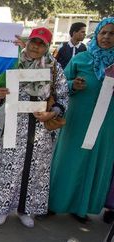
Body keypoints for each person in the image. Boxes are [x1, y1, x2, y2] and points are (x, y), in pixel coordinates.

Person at [0, 27, 68, 228]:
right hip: (15, 125)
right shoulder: (13, 63)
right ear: (27, 41)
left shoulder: (53, 68)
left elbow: (63, 96)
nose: (36, 47)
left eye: (41, 44)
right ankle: (2, 207)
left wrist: (52, 113)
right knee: (9, 167)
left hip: (40, 130)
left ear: (47, 47)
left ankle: (24, 210)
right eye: (34, 42)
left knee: (34, 170)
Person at [49, 18, 114, 224]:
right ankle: (54, 203)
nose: (106, 37)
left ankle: (81, 208)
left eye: (112, 34)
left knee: (93, 161)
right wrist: (73, 84)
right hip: (77, 119)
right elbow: (60, 86)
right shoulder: (82, 59)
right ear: (96, 35)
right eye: (103, 32)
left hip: (106, 123)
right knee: (67, 160)